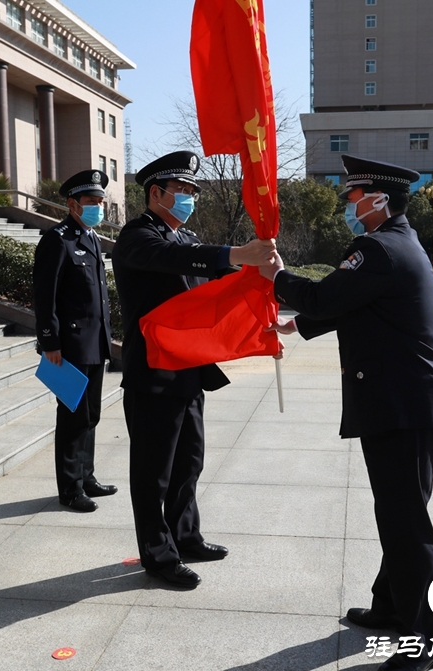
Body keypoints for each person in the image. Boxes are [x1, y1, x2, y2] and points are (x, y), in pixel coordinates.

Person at [261, 155, 433, 671]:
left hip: (403, 405)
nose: (349, 205)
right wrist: (298, 327)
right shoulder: (398, 243)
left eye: (353, 197)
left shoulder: (379, 247)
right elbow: (358, 305)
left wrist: (278, 278)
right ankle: (394, 606)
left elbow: (329, 296)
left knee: (406, 523)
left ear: (378, 200)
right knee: (397, 514)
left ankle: (428, 639)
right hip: (410, 401)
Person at [112, 151, 277, 589]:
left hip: (188, 369)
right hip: (154, 372)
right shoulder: (138, 236)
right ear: (155, 193)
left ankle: (185, 537)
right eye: (181, 191)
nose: (188, 199)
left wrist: (259, 275)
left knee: (188, 462)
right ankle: (158, 554)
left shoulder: (185, 239)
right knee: (154, 472)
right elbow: (175, 261)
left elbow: (213, 287)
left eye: (191, 192)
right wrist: (237, 253)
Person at [33, 170, 117, 513]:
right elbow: (45, 295)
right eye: (91, 202)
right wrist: (49, 340)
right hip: (68, 344)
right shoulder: (58, 239)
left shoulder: (91, 237)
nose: (98, 207)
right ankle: (69, 488)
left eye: (100, 201)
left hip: (95, 341)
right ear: (72, 204)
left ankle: (86, 475)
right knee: (72, 415)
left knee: (91, 414)